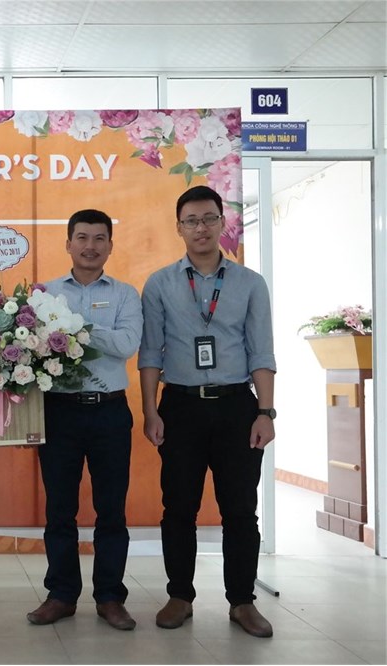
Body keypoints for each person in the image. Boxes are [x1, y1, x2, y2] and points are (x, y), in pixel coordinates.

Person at [138, 185, 277, 638]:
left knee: (240, 509)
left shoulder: (250, 283)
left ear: (223, 222)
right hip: (180, 406)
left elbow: (261, 351)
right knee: (179, 506)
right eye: (191, 221)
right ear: (179, 228)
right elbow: (150, 353)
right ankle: (180, 595)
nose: (201, 228)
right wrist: (151, 411)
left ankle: (242, 601)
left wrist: (266, 412)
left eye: (209, 218)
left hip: (237, 406)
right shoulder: (160, 284)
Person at [27, 209, 143, 631]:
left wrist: (74, 327)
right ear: (68, 243)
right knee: (60, 509)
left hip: (110, 411)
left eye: (99, 238)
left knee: (111, 510)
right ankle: (61, 595)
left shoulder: (126, 295)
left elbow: (127, 344)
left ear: (110, 245)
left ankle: (110, 597)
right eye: (82, 237)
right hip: (59, 412)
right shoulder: (44, 294)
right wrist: (84, 333)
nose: (90, 246)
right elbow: (35, 346)